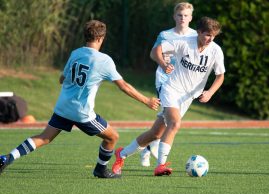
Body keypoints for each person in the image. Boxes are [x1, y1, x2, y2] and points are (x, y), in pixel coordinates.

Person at [0, 20, 160, 179]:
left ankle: (7, 158)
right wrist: (146, 100)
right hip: (82, 113)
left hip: (63, 107)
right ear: (100, 38)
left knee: (44, 137)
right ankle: (101, 169)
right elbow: (124, 86)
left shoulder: (76, 53)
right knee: (112, 137)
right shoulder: (104, 60)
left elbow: (62, 79)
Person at [112, 16, 225, 176]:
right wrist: (163, 64)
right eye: (207, 35)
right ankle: (160, 166)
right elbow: (155, 51)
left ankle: (121, 154)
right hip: (171, 89)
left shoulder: (215, 50)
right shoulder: (184, 42)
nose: (210, 39)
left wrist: (210, 92)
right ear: (199, 32)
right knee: (175, 123)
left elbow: (220, 76)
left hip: (187, 98)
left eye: (213, 36)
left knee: (155, 134)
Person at [140, 2, 197, 167]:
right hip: (165, 80)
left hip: (184, 85)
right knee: (171, 121)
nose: (182, 18)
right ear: (174, 16)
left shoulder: (195, 36)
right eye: (180, 15)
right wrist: (163, 63)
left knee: (167, 122)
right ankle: (155, 156)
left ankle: (148, 148)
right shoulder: (166, 34)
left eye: (186, 15)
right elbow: (153, 53)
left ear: (191, 18)